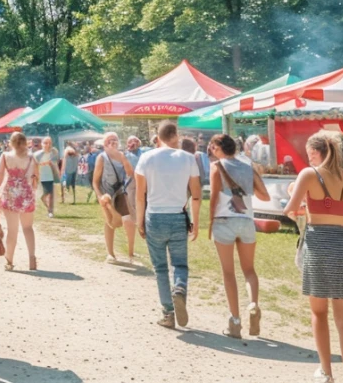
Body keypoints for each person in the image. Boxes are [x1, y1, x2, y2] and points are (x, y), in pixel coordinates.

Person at [283, 131, 343, 383]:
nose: (309, 159)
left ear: (316, 153)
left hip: (319, 246)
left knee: (318, 313)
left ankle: (326, 372)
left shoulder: (309, 174)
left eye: (310, 154)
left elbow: (289, 209)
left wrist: (303, 207)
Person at [135, 121, 201, 330]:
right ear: (176, 136)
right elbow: (197, 195)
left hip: (154, 215)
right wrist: (196, 223)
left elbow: (139, 194)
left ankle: (168, 313)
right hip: (178, 216)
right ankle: (179, 288)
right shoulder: (188, 158)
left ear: (158, 136)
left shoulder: (146, 158)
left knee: (160, 268)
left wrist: (140, 221)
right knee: (180, 264)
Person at [208, 133, 271, 339]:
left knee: (228, 273)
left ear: (218, 148)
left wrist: (209, 223)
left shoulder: (217, 167)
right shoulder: (247, 166)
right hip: (246, 220)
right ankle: (253, 304)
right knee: (249, 270)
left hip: (224, 221)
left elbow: (215, 196)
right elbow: (264, 195)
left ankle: (235, 321)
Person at [0, 131, 38, 271]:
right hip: (26, 194)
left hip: (10, 194)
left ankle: (9, 261)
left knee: (12, 230)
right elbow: (35, 180)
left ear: (10, 143)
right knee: (28, 227)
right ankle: (32, 258)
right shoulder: (32, 158)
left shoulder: (6, 156)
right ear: (26, 143)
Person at [94, 133, 137, 266]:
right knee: (110, 223)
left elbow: (130, 173)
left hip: (120, 191)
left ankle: (131, 253)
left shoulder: (122, 155)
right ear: (105, 143)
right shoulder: (102, 157)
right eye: (110, 140)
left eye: (115, 140)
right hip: (106, 193)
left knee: (129, 220)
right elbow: (95, 181)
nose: (113, 142)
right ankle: (110, 253)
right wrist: (100, 196)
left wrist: (122, 158)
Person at [34, 136, 61, 218]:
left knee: (51, 194)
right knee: (46, 193)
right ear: (42, 144)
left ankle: (50, 211)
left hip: (52, 175)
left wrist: (53, 166)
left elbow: (57, 161)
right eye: (46, 143)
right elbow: (34, 165)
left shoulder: (54, 152)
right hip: (43, 176)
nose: (48, 145)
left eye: (50, 143)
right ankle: (47, 206)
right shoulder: (37, 155)